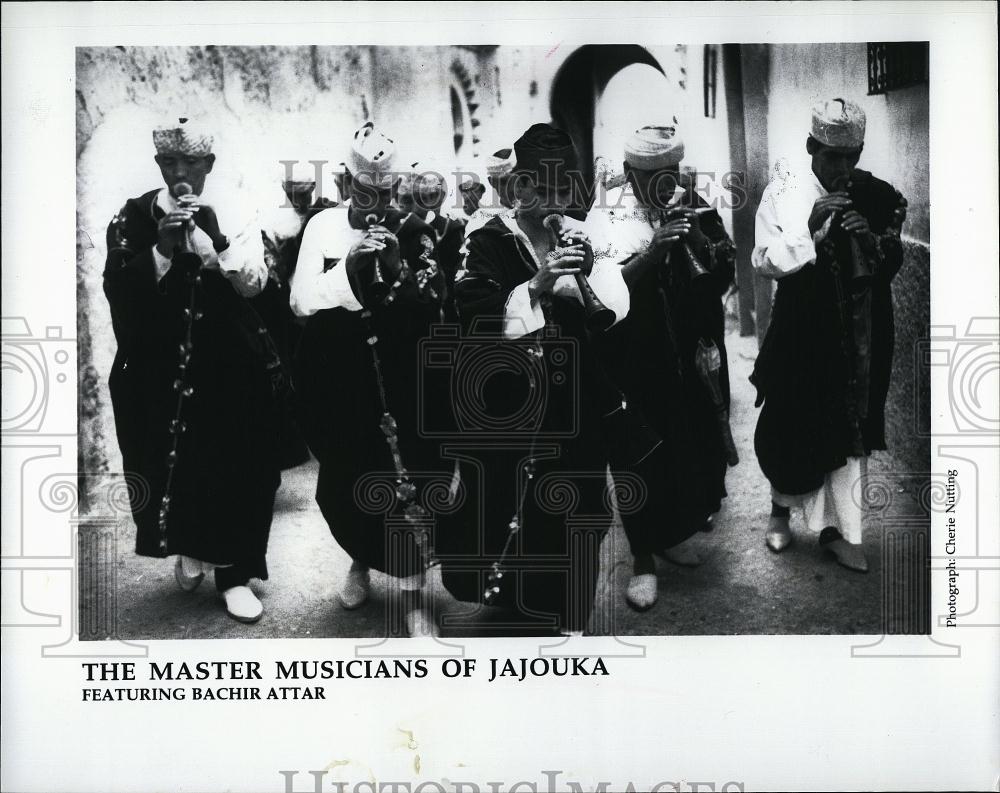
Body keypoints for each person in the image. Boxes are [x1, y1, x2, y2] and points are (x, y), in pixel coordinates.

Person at [446, 123, 630, 635]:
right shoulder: (485, 238)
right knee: (510, 507)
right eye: (542, 189)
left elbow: (615, 308)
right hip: (509, 402)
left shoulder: (583, 234)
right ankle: (517, 604)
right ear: (519, 186)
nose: (554, 202)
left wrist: (590, 274)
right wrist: (538, 283)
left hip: (575, 400)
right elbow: (472, 314)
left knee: (578, 506)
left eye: (563, 190)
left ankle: (570, 620)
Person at [103, 117, 280, 623]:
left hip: (228, 359)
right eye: (170, 162)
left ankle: (235, 576)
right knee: (177, 463)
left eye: (192, 163)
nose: (181, 173)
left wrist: (214, 240)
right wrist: (160, 250)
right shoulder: (131, 217)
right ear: (159, 164)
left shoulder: (237, 209)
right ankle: (191, 548)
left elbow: (254, 284)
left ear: (210, 164)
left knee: (239, 463)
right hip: (163, 362)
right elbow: (118, 288)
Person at [290, 123, 446, 637]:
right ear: (344, 184)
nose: (375, 204)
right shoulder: (322, 227)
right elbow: (300, 301)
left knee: (408, 477)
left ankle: (413, 594)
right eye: (363, 192)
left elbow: (433, 304)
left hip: (401, 373)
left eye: (384, 194)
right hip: (339, 373)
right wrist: (348, 270)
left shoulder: (415, 231)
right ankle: (359, 560)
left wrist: (397, 269)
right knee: (348, 474)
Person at [750, 98, 908, 572]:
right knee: (790, 421)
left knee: (849, 427)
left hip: (861, 335)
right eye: (832, 157)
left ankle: (840, 533)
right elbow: (763, 261)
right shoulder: (783, 191)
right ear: (810, 147)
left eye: (851, 157)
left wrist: (870, 240)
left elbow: (892, 259)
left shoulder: (874, 193)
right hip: (801, 330)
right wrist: (809, 227)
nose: (842, 168)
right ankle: (780, 512)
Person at [591, 125, 737, 611]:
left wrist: (700, 239)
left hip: (685, 355)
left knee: (684, 447)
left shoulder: (692, 202)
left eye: (671, 173)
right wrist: (654, 252)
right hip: (634, 357)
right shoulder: (607, 216)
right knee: (637, 457)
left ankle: (671, 536)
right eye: (653, 175)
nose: (665, 184)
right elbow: (602, 292)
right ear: (629, 172)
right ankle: (643, 561)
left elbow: (722, 276)